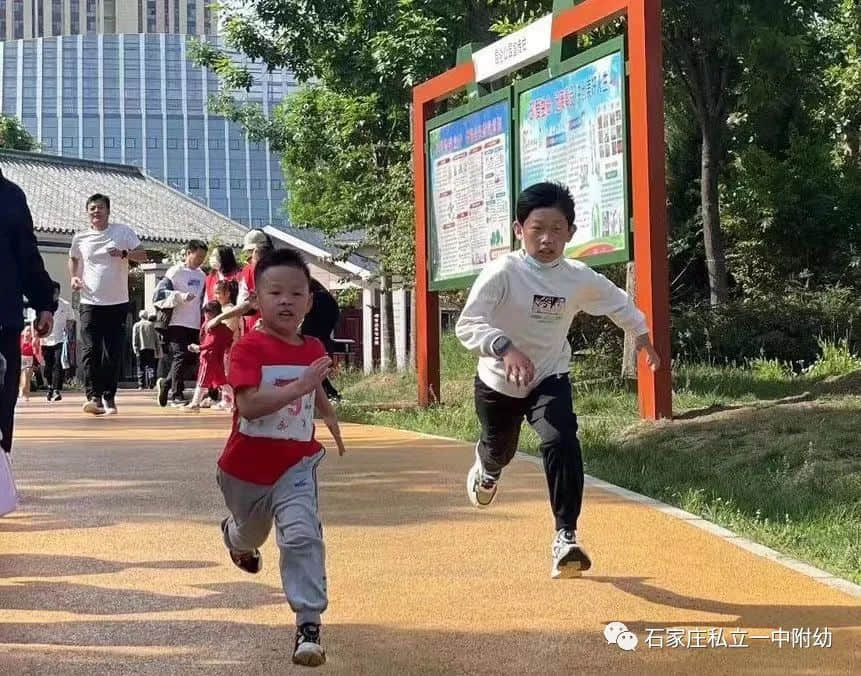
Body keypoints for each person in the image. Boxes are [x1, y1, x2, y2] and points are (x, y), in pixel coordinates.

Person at [455, 182, 661, 579]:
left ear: (571, 232)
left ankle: (566, 536)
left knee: (561, 439)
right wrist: (504, 347)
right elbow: (468, 324)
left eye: (557, 229)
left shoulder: (576, 277)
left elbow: (619, 302)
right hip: (498, 380)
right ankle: (487, 467)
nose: (547, 239)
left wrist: (643, 338)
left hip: (549, 375)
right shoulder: (503, 273)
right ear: (519, 230)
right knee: (501, 450)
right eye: (537, 229)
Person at [216, 248, 346, 667]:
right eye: (275, 292)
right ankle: (234, 537)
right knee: (251, 536)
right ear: (256, 300)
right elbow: (251, 406)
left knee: (302, 535)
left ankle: (309, 625)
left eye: (296, 293)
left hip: (296, 463)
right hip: (244, 471)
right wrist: (302, 385)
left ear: (310, 301)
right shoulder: (248, 349)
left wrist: (329, 417)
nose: (286, 300)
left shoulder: (311, 346)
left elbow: (316, 386)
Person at [69, 194, 147, 415]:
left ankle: (109, 397)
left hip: (117, 302)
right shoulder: (80, 237)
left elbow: (143, 255)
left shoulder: (122, 232)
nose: (96, 211)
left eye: (100, 208)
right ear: (88, 212)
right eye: (92, 208)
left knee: (112, 353)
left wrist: (124, 253)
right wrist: (74, 276)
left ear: (108, 211)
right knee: (90, 350)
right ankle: (93, 396)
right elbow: (74, 258)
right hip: (90, 301)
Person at [1, 168, 55, 454]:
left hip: (2, 321)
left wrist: (44, 301)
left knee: (1, 408)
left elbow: (27, 256)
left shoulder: (10, 197)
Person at [155, 240, 208, 407]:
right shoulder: (175, 272)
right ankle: (177, 393)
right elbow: (160, 294)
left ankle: (165, 383)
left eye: (203, 257)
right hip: (176, 321)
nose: (200, 260)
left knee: (190, 358)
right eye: (198, 256)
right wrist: (180, 296)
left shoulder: (202, 275)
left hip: (194, 323)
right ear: (188, 253)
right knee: (179, 355)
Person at [206, 229, 273, 335]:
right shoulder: (247, 271)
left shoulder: (281, 269)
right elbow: (245, 304)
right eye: (250, 251)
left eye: (253, 251)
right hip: (251, 326)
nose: (251, 254)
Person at [183, 301, 235, 411]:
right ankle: (234, 402)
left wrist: (198, 348)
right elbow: (229, 339)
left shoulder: (212, 326)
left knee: (202, 381)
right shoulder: (223, 327)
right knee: (222, 382)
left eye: (208, 312)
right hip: (217, 357)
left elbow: (212, 342)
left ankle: (195, 403)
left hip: (209, 357)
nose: (206, 315)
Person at [301, 279, 342, 402]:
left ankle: (329, 393)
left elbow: (308, 329)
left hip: (317, 333)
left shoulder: (318, 298)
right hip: (323, 335)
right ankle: (330, 393)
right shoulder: (324, 297)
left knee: (310, 361)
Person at [41, 282, 73, 402]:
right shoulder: (41, 304)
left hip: (60, 339)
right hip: (44, 340)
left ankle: (56, 389)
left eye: (56, 292)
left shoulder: (65, 305)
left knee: (57, 363)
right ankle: (49, 387)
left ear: (58, 293)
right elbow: (34, 322)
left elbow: (71, 319)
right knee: (48, 366)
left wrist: (68, 331)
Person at [132, 311, 159, 389]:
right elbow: (155, 338)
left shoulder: (136, 325)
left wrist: (135, 348)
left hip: (140, 348)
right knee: (151, 366)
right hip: (151, 348)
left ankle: (141, 384)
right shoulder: (151, 325)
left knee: (140, 366)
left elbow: (135, 338)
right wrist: (157, 348)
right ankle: (151, 383)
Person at [18, 326, 42, 403]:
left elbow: (36, 353)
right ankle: (21, 390)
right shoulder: (19, 339)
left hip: (29, 361)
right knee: (20, 377)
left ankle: (26, 394)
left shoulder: (33, 341)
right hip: (20, 360)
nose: (28, 333)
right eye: (27, 330)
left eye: (30, 331)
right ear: (23, 332)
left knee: (27, 377)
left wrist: (35, 345)